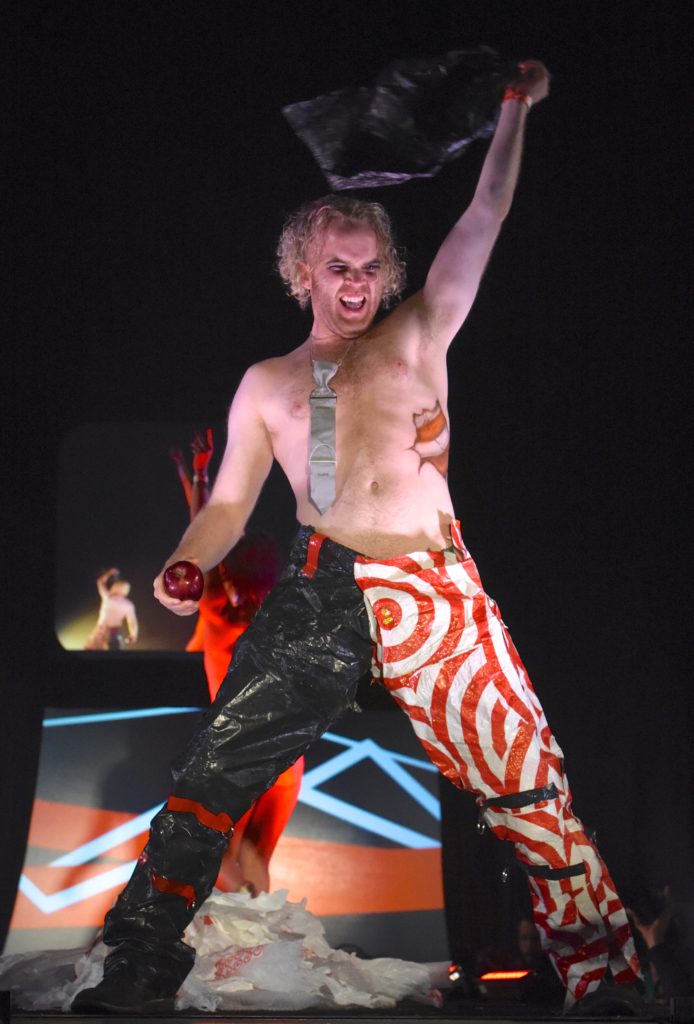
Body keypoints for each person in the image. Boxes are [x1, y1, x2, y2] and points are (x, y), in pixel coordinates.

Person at [74, 61, 641, 1014]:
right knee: (214, 773)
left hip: (435, 585)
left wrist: (512, 109)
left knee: (530, 788)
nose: (355, 284)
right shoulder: (273, 383)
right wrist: (188, 562)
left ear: (392, 277)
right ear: (302, 274)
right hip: (321, 591)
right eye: (338, 268)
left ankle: (609, 980)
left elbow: (486, 214)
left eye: (371, 268)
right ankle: (136, 965)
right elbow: (228, 505)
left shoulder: (420, 334)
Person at [170, 429, 304, 894]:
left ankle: (229, 947)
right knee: (255, 858)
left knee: (222, 856)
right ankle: (257, 946)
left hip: (237, 750)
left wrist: (203, 474)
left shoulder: (213, 601)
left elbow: (205, 528)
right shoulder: (282, 613)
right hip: (286, 755)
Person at [84, 568, 138, 650]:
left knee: (90, 651)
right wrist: (133, 634)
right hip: (114, 631)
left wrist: (110, 573)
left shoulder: (108, 597)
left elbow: (100, 582)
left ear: (114, 588)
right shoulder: (128, 604)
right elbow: (132, 622)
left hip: (102, 630)